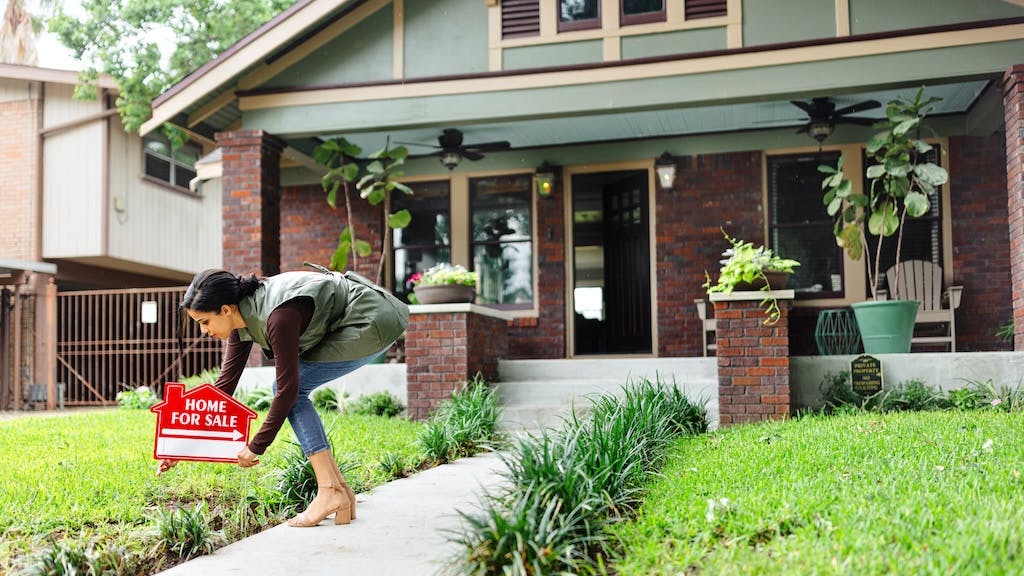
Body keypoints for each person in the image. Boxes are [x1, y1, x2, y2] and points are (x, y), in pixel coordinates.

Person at [159, 264, 409, 528]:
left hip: (371, 319)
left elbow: (288, 391)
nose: (204, 331)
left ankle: (330, 491)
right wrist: (181, 446)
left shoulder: (279, 317)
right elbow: (223, 389)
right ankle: (339, 492)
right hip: (357, 318)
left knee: (289, 390)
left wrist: (256, 446)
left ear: (225, 309)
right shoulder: (242, 318)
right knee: (290, 389)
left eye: (204, 322)